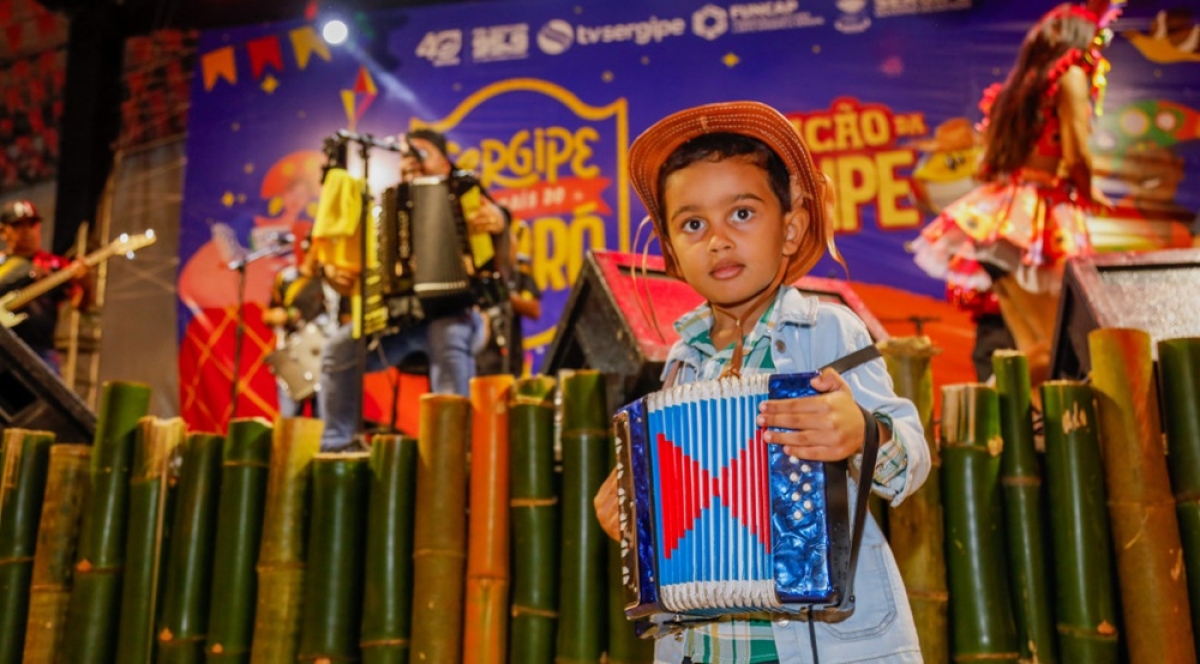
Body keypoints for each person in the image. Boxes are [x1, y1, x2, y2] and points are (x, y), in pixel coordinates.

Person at [593, 101, 929, 663]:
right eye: (693, 224)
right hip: (700, 644)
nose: (718, 240)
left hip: (822, 643)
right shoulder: (681, 360)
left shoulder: (827, 331)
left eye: (742, 214)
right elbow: (686, 511)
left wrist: (863, 432)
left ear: (791, 227)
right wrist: (636, 519)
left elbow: (912, 463)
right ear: (672, 251)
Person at [911, 1, 1121, 394]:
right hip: (1035, 218)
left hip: (1000, 218)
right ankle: (984, 416)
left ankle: (1006, 425)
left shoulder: (1017, 91)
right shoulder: (1070, 77)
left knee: (1030, 350)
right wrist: (1090, 190)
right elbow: (1076, 154)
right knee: (1055, 347)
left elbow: (987, 163)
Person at [317, 128, 506, 450]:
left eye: (420, 153)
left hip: (455, 314)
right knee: (338, 351)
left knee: (447, 338)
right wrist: (336, 273)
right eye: (405, 155)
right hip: (398, 320)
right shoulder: (383, 204)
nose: (410, 162)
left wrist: (500, 222)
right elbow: (358, 266)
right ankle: (338, 444)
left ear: (444, 161)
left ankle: (452, 444)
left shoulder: (465, 191)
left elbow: (502, 246)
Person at [0, 200, 92, 373]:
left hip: (40, 351)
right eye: (18, 225)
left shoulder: (55, 265)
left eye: (32, 224)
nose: (27, 231)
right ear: (4, 232)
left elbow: (81, 306)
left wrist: (86, 284)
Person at [262, 236, 340, 417]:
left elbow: (345, 320)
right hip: (293, 356)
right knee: (290, 420)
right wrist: (278, 316)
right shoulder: (288, 278)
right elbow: (268, 314)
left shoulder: (333, 282)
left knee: (322, 422)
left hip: (323, 360)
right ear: (308, 248)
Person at [476, 220, 542, 377]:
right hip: (480, 361)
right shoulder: (477, 274)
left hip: (510, 360)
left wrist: (504, 294)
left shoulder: (519, 274)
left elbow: (534, 309)